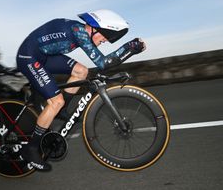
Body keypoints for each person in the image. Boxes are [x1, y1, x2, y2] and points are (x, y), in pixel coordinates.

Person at [17, 9, 146, 171]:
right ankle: (31, 149)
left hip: (45, 55)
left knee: (81, 71)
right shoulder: (79, 32)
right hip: (29, 57)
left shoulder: (80, 31)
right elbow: (103, 63)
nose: (105, 41)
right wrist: (130, 47)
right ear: (95, 29)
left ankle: (61, 111)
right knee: (56, 101)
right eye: (105, 37)